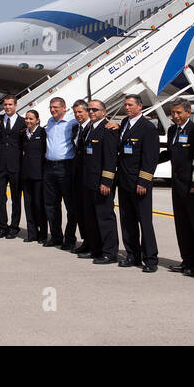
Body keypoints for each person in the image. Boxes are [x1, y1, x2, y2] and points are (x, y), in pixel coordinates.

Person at [115, 94, 160, 271]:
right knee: (127, 221)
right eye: (125, 105)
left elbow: (151, 158)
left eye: (130, 105)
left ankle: (150, 259)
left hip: (139, 183)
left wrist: (144, 181)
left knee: (144, 222)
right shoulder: (125, 123)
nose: (127, 108)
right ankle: (132, 255)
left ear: (140, 106)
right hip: (124, 181)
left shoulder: (147, 127)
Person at [165, 100, 194, 277]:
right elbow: (170, 153)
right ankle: (187, 260)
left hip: (192, 188)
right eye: (173, 113)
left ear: (188, 113)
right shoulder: (172, 130)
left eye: (179, 113)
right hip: (177, 186)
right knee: (182, 226)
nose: (175, 116)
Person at [80, 99, 118, 264]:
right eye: (89, 109)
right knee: (91, 218)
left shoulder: (108, 129)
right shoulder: (89, 128)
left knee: (104, 218)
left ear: (104, 111)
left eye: (95, 109)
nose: (91, 112)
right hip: (88, 181)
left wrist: (106, 182)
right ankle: (95, 249)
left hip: (101, 182)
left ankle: (109, 252)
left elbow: (110, 158)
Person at [42, 97, 79, 249]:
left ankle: (70, 239)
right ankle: (56, 236)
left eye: (56, 107)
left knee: (70, 205)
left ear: (64, 108)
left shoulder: (72, 122)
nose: (53, 110)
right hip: (49, 167)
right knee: (51, 205)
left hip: (66, 167)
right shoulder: (49, 122)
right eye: (51, 107)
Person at [0, 95, 24, 238]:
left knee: (16, 198)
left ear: (16, 105)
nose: (7, 107)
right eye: (5, 105)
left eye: (10, 104)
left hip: (16, 165)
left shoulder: (23, 122)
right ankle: (2, 227)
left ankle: (14, 227)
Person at [20, 110, 48, 243]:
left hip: (38, 175)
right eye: (26, 118)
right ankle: (32, 233)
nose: (28, 121)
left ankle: (42, 234)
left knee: (38, 204)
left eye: (31, 119)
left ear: (37, 120)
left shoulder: (43, 133)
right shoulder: (23, 134)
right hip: (26, 175)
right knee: (28, 204)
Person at [68, 100, 92, 253]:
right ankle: (86, 241)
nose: (77, 115)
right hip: (77, 175)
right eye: (75, 112)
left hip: (89, 175)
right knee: (80, 211)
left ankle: (93, 243)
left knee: (89, 212)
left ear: (87, 112)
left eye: (80, 112)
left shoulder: (93, 127)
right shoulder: (76, 128)